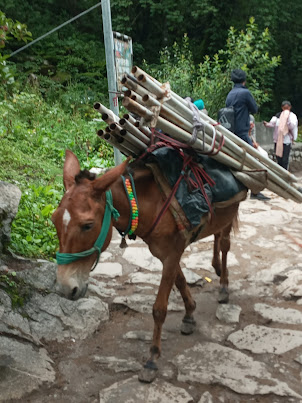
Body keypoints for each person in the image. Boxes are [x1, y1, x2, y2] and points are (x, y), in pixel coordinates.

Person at [226, 69, 270, 201]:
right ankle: (255, 192)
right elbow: (254, 109)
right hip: (243, 133)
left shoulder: (230, 94)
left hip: (232, 133)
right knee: (254, 162)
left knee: (236, 162)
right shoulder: (245, 93)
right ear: (244, 80)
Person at [263, 101, 298, 170]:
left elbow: (292, 126)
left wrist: (286, 119)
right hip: (278, 140)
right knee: (279, 158)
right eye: (284, 108)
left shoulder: (292, 116)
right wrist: (267, 124)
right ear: (282, 108)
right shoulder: (278, 116)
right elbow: (272, 123)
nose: (286, 110)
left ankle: (285, 174)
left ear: (290, 108)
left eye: (287, 108)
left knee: (285, 159)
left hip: (286, 140)